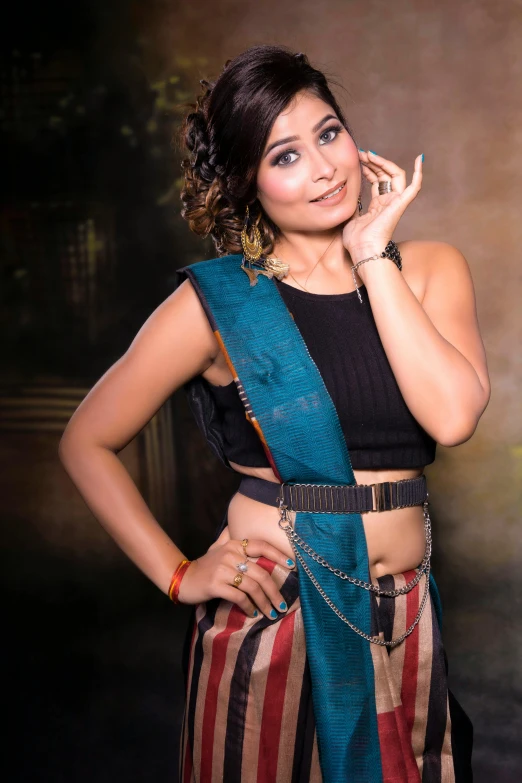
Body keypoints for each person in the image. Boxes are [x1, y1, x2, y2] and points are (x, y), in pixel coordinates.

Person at [59, 44, 490, 783]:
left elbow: (451, 418)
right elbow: (86, 441)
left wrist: (371, 255)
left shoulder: (426, 267)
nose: (324, 168)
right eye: (284, 156)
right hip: (275, 619)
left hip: (404, 615)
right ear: (247, 183)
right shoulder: (220, 304)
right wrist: (179, 574)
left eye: (329, 133)